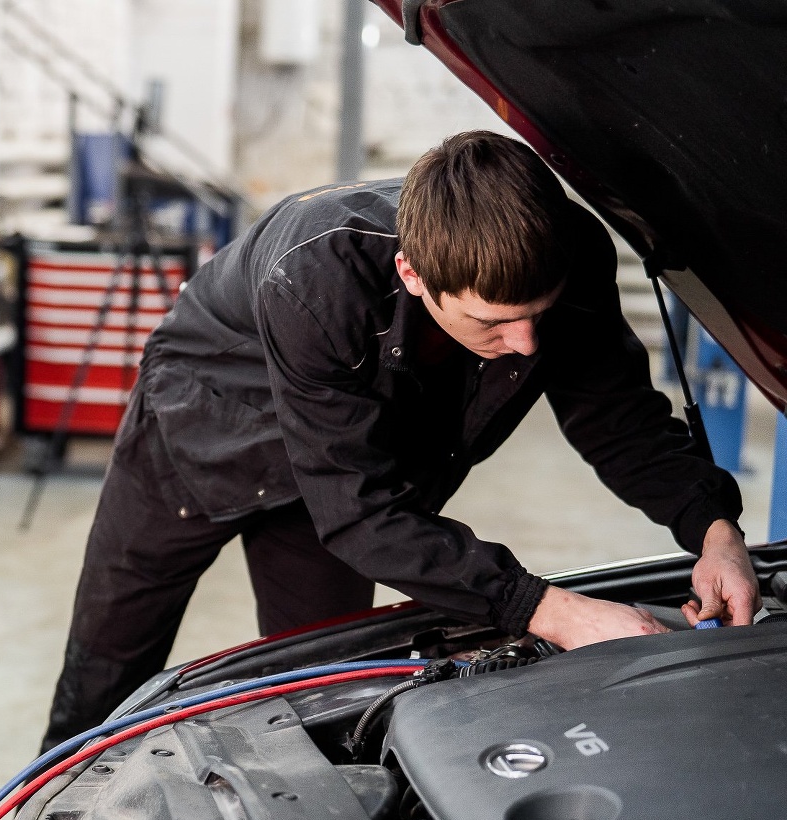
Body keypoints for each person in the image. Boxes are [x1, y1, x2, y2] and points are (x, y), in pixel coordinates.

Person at [40, 130, 760, 752]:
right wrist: (555, 609)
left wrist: (714, 529)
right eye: (494, 323)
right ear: (412, 274)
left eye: (538, 314)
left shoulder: (565, 258)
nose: (526, 344)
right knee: (108, 664)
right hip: (198, 432)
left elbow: (619, 417)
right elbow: (363, 515)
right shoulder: (314, 274)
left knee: (322, 689)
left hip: (345, 462)